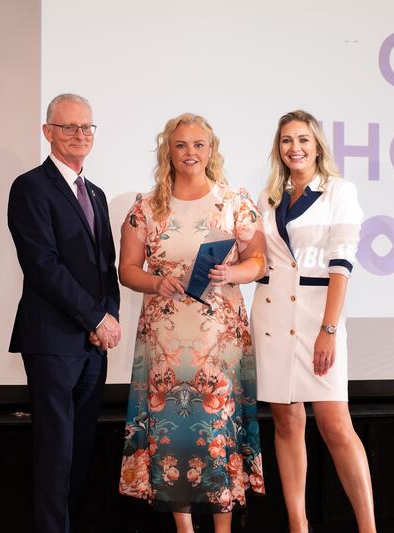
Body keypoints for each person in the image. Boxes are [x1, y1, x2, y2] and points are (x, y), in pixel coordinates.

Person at [118, 113, 265, 533]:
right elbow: (127, 269)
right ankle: (184, 529)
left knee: (218, 429)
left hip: (220, 338)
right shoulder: (145, 207)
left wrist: (232, 273)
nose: (190, 153)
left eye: (199, 145)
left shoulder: (235, 200)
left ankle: (222, 529)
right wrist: (155, 282)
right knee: (172, 431)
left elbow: (258, 261)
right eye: (181, 145)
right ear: (169, 150)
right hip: (165, 339)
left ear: (211, 150)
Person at [251, 110, 376, 533]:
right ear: (278, 148)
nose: (295, 148)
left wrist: (329, 329)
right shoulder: (268, 197)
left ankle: (368, 527)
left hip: (317, 316)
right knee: (286, 422)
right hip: (271, 316)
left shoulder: (340, 191)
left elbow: (342, 265)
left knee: (335, 423)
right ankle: (298, 524)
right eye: (286, 140)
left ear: (317, 144)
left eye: (303, 139)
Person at [7, 93, 121, 533]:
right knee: (55, 452)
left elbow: (104, 266)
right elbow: (42, 266)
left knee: (82, 451)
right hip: (53, 341)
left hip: (93, 345)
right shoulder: (30, 187)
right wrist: (94, 319)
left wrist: (107, 318)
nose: (80, 135)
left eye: (87, 127)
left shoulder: (95, 192)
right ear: (47, 132)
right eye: (69, 127)